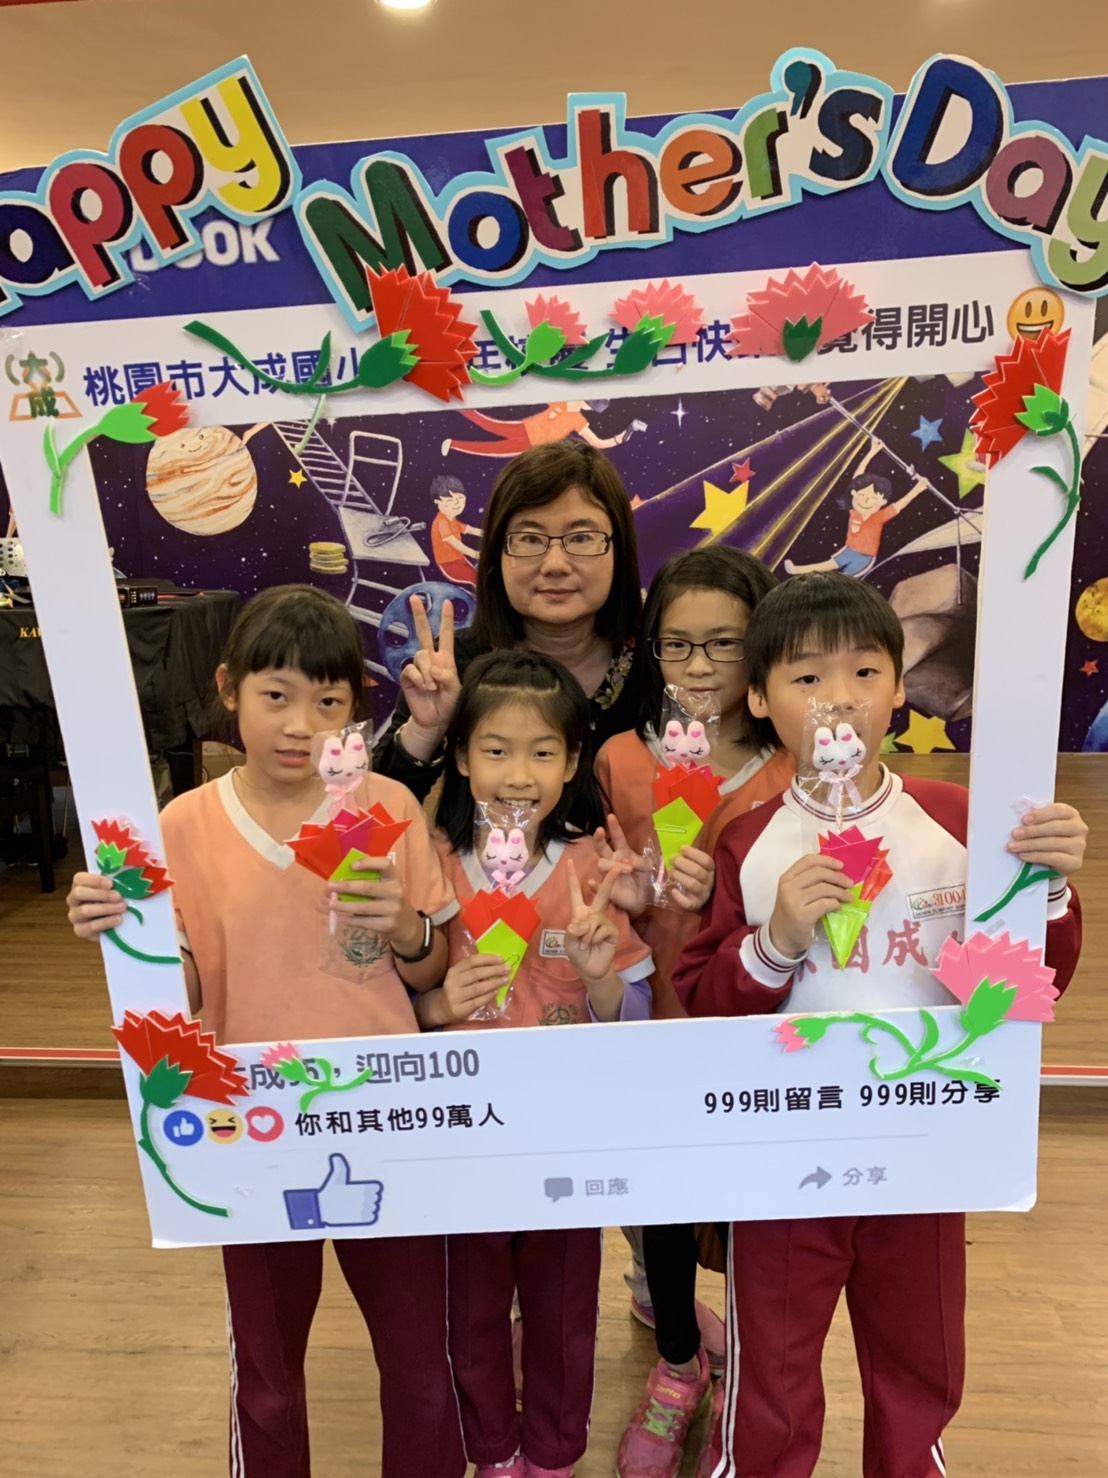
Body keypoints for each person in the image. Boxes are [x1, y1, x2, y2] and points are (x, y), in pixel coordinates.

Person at [673, 572, 1087, 1477]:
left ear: (900, 688)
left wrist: (1046, 889)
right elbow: (703, 1002)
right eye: (807, 677)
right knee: (775, 1366)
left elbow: (1033, 982)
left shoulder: (962, 821)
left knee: (919, 1354)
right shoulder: (744, 839)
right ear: (759, 698)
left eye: (864, 672)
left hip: (924, 1143)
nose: (841, 699)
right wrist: (776, 942)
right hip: (783, 1152)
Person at [65, 584, 466, 1478]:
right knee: (268, 1371)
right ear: (228, 689)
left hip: (384, 1117)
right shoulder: (182, 825)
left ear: (354, 711)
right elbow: (182, 987)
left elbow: (431, 971)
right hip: (253, 1121)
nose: (300, 726)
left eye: (328, 703)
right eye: (275, 695)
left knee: (416, 1360)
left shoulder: (389, 809)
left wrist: (406, 927)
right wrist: (121, 932)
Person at [415, 650, 654, 1478]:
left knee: (562, 1307)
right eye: (496, 750)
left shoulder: (592, 869)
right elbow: (391, 1004)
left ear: (574, 761)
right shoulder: (430, 863)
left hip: (565, 1135)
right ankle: (493, 1450)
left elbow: (629, 1015)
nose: (519, 774)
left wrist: (600, 975)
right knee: (471, 1306)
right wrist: (437, 1005)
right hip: (462, 1135)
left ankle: (553, 1453)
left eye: (543, 752)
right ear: (459, 757)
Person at [594, 547, 796, 1478]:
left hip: (766, 1031)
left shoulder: (797, 766)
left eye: (724, 642)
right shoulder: (622, 760)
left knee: (763, 1218)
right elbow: (595, 890)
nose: (700, 665)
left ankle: (755, 1370)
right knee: (664, 1207)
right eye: (677, 644)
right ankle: (679, 1364)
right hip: (658, 1028)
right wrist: (627, 899)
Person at [374, 441, 643, 808]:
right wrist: (427, 730)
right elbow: (377, 813)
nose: (555, 564)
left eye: (581, 538)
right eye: (529, 538)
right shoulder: (456, 664)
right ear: (495, 555)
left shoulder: (658, 665)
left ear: (619, 550)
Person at [784, 436, 927, 578]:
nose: (866, 501)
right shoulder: (855, 511)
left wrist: (918, 488)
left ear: (882, 502)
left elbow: (900, 504)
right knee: (830, 564)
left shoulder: (879, 517)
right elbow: (857, 477)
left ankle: (813, 580)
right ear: (854, 493)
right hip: (850, 550)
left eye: (872, 499)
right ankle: (797, 570)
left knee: (844, 580)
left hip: (865, 557)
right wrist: (872, 452)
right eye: (862, 496)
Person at [442, 399, 646, 458]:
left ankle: (453, 444)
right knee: (490, 424)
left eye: (587, 405)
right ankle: (462, 408)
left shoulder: (577, 419)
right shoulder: (561, 400)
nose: (583, 405)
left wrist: (626, 432)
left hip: (532, 444)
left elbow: (598, 443)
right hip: (524, 428)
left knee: (492, 450)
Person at [430, 473, 482, 587]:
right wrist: (475, 554)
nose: (457, 504)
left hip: (459, 560)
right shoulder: (442, 522)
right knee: (476, 580)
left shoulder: (452, 520)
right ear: (437, 501)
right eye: (450, 500)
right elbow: (455, 543)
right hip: (449, 564)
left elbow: (470, 530)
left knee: (479, 576)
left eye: (460, 499)